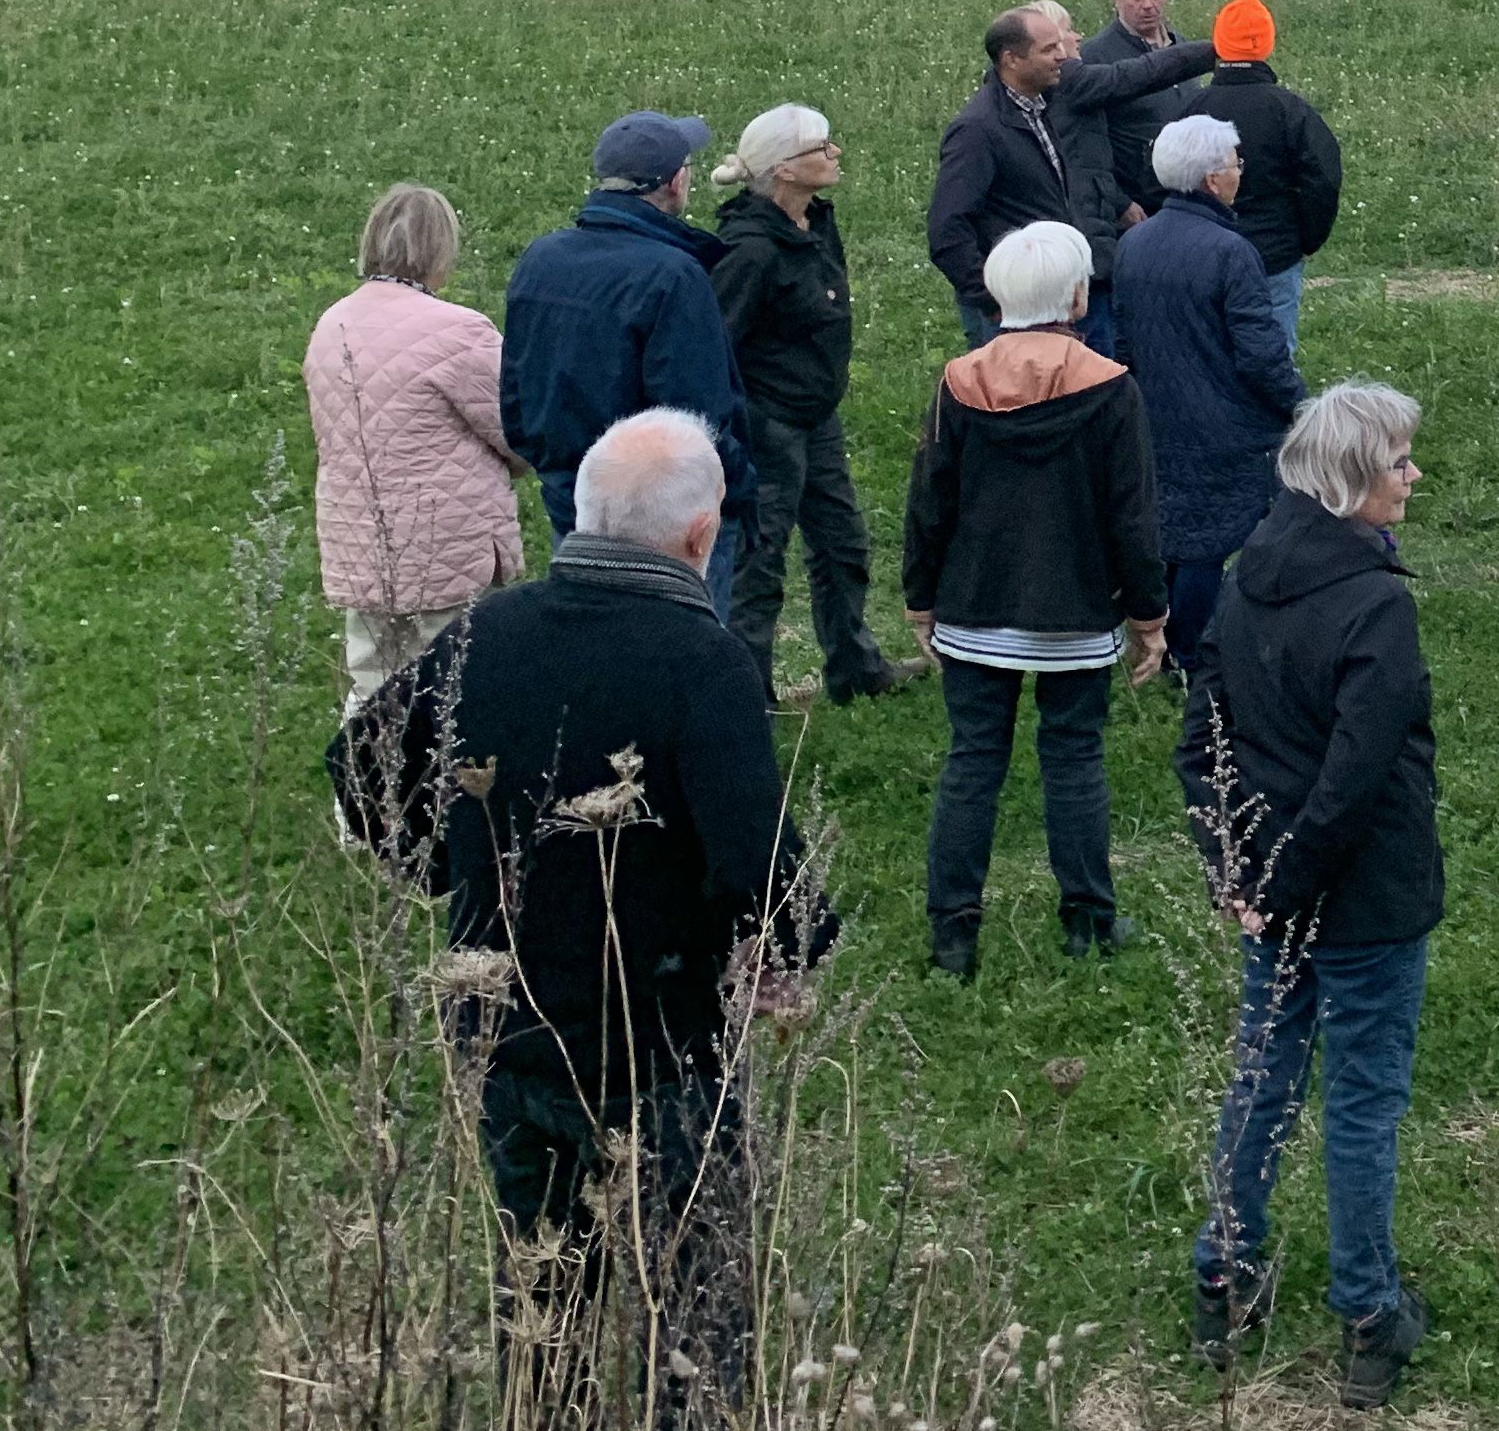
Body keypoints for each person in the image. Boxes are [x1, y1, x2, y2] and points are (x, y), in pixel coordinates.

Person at [331, 408, 830, 1431]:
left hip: (505, 1033)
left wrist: (442, 872)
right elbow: (759, 867)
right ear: (701, 539)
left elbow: (358, 763)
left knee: (542, 1301)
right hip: (659, 1047)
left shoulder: (487, 630)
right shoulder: (703, 661)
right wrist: (786, 956)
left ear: (586, 513)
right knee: (693, 1318)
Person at [1186, 382, 1446, 1411]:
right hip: (1366, 898)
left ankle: (1225, 1274)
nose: (1413, 476)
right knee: (1361, 1102)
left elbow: (1199, 747)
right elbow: (1359, 771)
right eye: (1399, 463)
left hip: (1271, 894)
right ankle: (1368, 1311)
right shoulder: (1374, 603)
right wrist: (1283, 879)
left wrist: (1238, 872)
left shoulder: (1247, 583)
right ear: (1348, 482)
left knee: (1263, 1074)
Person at [901, 220, 1170, 978]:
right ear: (1079, 295)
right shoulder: (1112, 388)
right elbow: (1133, 517)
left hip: (975, 604)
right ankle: (1089, 917)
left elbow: (931, 502)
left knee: (973, 759)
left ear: (995, 293)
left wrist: (921, 596)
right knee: (1074, 758)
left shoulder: (959, 383)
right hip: (1077, 608)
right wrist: (1148, 614)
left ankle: (952, 934)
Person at [500, 112, 754, 584]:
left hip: (575, 500)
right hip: (667, 516)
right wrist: (737, 490)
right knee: (680, 652)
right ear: (677, 182)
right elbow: (698, 414)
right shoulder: (673, 276)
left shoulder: (541, 258)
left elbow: (514, 388)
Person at [709, 106, 908, 704]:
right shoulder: (749, 252)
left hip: (816, 415)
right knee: (761, 560)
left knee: (842, 542)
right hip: (768, 423)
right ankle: (749, 690)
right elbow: (721, 342)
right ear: (786, 171)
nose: (836, 153)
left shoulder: (814, 223)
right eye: (823, 147)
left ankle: (856, 668)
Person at [307, 183, 522, 708]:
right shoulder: (459, 331)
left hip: (360, 541)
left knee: (373, 686)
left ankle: (365, 790)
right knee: (458, 691)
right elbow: (519, 431)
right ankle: (455, 791)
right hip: (448, 543)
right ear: (440, 250)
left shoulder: (331, 325)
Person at [1119, 113, 1306, 664]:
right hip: (1225, 427)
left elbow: (1125, 345)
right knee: (1206, 546)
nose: (1239, 172)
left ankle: (1160, 641)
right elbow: (1260, 352)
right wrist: (1299, 405)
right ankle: (1190, 655)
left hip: (1156, 418)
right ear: (1210, 180)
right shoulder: (1231, 251)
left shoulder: (1135, 242)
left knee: (1173, 538)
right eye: (1233, 163)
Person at [927, 1, 1213, 348]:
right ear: (1011, 59)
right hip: (1026, 308)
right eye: (1049, 49)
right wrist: (991, 298)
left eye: (1061, 44)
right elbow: (947, 227)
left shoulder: (1044, 106)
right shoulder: (977, 129)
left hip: (1071, 293)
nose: (1064, 55)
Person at [1191, 0, 1346, 349]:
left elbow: (1162, 180)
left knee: (1215, 357)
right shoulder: (1290, 111)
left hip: (1206, 258)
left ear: (1219, 44)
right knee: (1274, 358)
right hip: (1274, 256)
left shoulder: (1193, 111)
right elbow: (1322, 178)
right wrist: (1306, 239)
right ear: (1268, 43)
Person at [1088, 0, 1190, 221]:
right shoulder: (1096, 58)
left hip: (1190, 201)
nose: (1147, 5)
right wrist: (1119, 202)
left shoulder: (1183, 48)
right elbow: (1084, 146)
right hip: (1141, 211)